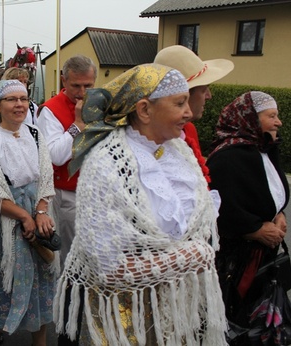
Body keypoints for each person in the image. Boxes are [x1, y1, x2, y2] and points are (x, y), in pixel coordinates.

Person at [55, 64, 227, 345]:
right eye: (180, 103)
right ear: (145, 110)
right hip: (127, 313)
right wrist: (186, 258)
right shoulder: (107, 163)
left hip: (174, 306)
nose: (188, 112)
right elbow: (108, 267)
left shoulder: (177, 151)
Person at [0, 80, 57, 345]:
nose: (19, 105)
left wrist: (40, 211)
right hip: (3, 219)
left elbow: (46, 178)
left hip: (36, 211)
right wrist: (24, 216)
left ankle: (39, 337)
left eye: (24, 99)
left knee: (41, 274)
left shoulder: (36, 135)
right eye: (11, 99)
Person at [207, 91, 289, 329]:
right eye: (271, 116)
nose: (278, 122)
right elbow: (220, 206)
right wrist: (253, 229)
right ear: (250, 119)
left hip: (261, 256)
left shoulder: (263, 149)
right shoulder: (228, 156)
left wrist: (279, 214)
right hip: (236, 261)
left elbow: (271, 190)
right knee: (235, 319)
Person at [36, 55, 96, 265]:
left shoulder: (100, 105)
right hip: (66, 193)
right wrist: (77, 124)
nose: (81, 93)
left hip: (94, 190)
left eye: (87, 86)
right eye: (76, 86)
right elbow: (56, 156)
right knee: (70, 256)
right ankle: (67, 294)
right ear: (63, 81)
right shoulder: (50, 110)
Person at [154, 45, 234, 181]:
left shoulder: (189, 130)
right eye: (203, 90)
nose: (209, 96)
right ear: (184, 95)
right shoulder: (150, 138)